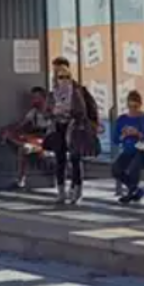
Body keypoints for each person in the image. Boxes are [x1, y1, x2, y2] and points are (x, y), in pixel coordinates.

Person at [45, 57, 95, 205]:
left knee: (75, 159)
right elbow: (46, 111)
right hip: (58, 126)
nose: (63, 79)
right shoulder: (53, 93)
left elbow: (83, 111)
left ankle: (76, 191)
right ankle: (61, 192)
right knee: (60, 159)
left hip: (74, 127)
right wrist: (53, 112)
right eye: (60, 76)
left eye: (66, 76)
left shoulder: (77, 91)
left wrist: (71, 114)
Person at [112, 90, 144, 204]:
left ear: (140, 105)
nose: (133, 109)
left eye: (136, 106)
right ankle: (135, 190)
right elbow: (115, 139)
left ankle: (131, 193)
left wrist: (138, 134)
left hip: (143, 151)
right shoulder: (122, 119)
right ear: (127, 105)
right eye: (131, 106)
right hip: (128, 150)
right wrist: (123, 135)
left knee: (134, 167)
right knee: (116, 169)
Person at [2, 87, 51, 189]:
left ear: (44, 98)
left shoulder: (50, 112)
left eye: (37, 97)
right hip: (35, 139)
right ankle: (26, 146)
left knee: (24, 147)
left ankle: (21, 178)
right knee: (14, 138)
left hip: (46, 140)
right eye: (33, 98)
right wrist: (9, 130)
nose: (34, 100)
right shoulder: (34, 112)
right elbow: (21, 124)